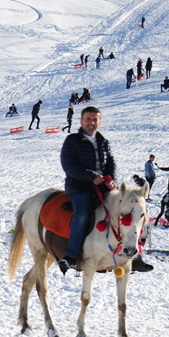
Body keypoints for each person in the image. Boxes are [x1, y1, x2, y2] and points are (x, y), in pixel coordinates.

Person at [58, 106, 116, 274]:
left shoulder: (104, 141)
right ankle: (71, 255)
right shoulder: (72, 140)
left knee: (123, 208)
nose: (91, 122)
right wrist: (91, 176)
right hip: (79, 186)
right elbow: (69, 165)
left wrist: (112, 181)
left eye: (95, 119)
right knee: (82, 214)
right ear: (81, 121)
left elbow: (111, 165)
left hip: (103, 186)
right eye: (88, 119)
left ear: (100, 121)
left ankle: (131, 256)